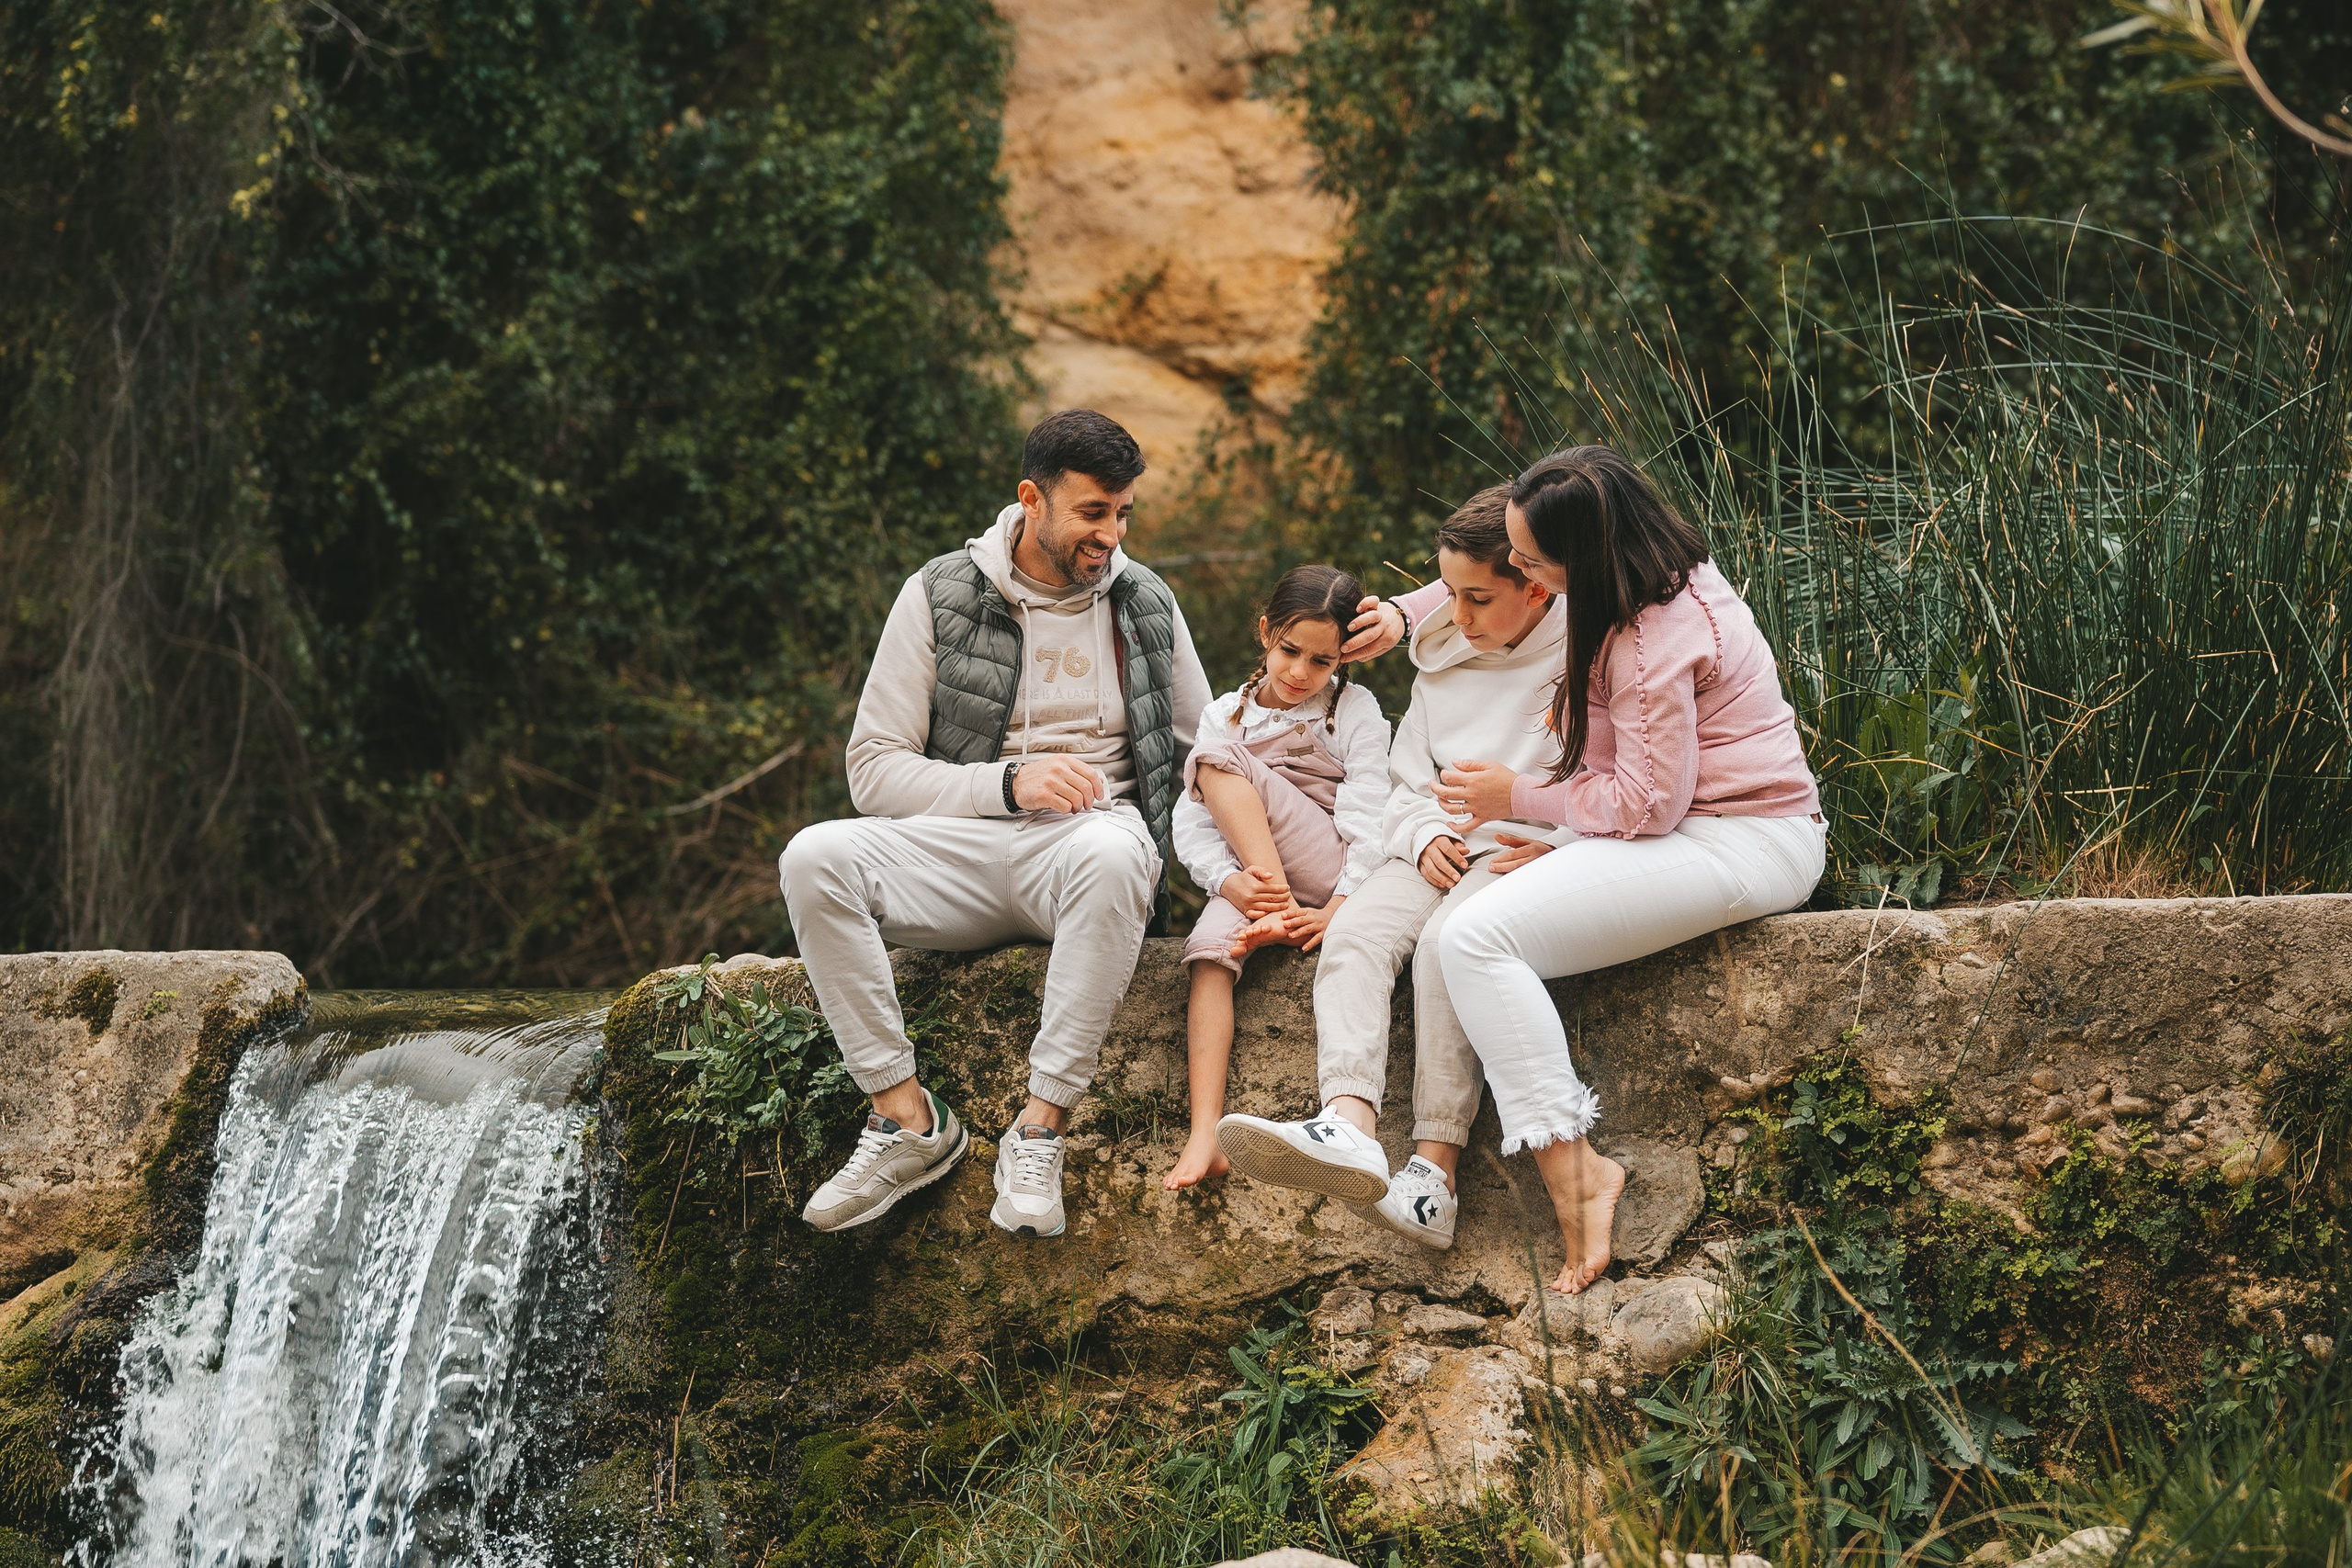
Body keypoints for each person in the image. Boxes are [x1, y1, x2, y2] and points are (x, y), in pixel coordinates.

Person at [778, 410, 1213, 1239]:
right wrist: (1008, 783)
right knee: (814, 856)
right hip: (962, 847)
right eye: (1092, 512)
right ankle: (907, 1119)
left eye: (1124, 514)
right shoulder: (939, 591)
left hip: (1089, 852)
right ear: (1031, 499)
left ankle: (1039, 1129)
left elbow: (1208, 757)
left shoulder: (1146, 600)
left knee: (1119, 855)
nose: (1111, 535)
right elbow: (871, 769)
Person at [1432, 446, 1826, 1294]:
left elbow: (1650, 806)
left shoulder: (1656, 637)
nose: (1527, 581)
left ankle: (1579, 1173)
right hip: (1696, 828)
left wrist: (1524, 798)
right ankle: (1574, 1170)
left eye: (1534, 564)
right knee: (1474, 925)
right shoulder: (1649, 575)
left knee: (1473, 937)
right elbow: (1648, 797)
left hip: (1748, 839)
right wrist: (1577, 846)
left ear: (1582, 553)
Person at [1212, 488, 1568, 1247]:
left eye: (1475, 598)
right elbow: (1405, 784)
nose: (1456, 615)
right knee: (1357, 937)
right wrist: (1420, 835)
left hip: (1517, 848)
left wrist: (1562, 846)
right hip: (1434, 843)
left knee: (1447, 947)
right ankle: (1348, 1125)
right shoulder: (1442, 657)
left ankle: (1432, 1175)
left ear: (1536, 585)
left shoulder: (1582, 653)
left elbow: (1603, 783)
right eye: (1450, 595)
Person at [1163, 566, 1393, 1190]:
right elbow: (1195, 820)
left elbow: (1372, 810)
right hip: (1256, 879)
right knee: (1210, 956)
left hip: (1323, 867)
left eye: (1321, 660)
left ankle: (1278, 904)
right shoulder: (1226, 713)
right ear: (1265, 633)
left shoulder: (1352, 708)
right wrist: (1226, 883)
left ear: (1342, 659)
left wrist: (1340, 904)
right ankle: (1204, 1132)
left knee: (1211, 760)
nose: (1298, 672)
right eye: (1289, 651)